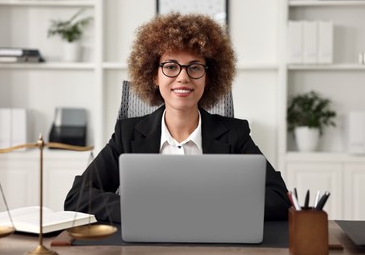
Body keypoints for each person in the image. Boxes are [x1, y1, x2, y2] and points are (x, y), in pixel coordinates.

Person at [64, 12, 291, 222]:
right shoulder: (127, 134)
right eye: (171, 67)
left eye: (194, 68)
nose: (183, 77)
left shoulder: (235, 134)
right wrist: (146, 209)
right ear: (154, 76)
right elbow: (79, 197)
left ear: (208, 78)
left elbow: (278, 198)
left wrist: (206, 208)